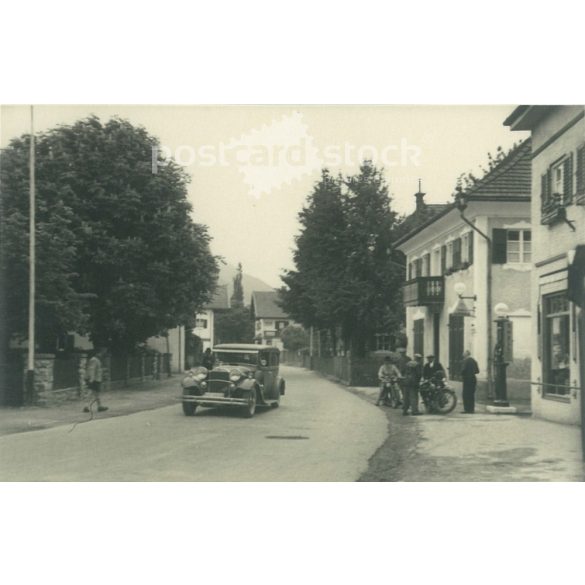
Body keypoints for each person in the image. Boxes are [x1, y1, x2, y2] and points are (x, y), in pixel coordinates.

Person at [84, 348, 108, 413]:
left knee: (96, 394)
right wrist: (91, 379)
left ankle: (99, 406)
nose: (101, 354)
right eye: (100, 353)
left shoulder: (96, 360)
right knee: (91, 393)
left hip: (96, 379)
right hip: (95, 379)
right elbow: (92, 369)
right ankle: (87, 406)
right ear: (97, 353)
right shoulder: (94, 360)